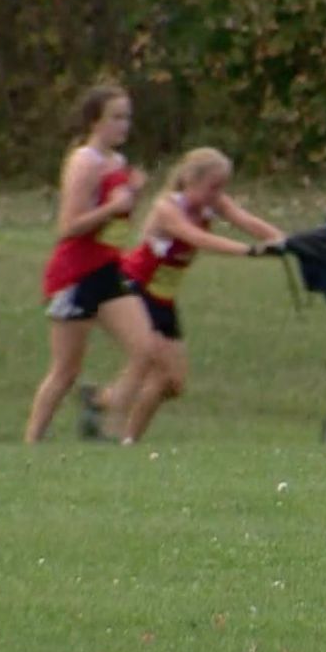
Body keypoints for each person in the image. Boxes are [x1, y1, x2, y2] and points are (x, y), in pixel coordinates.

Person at [79, 147, 286, 443]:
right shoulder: (167, 207)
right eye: (213, 186)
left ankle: (101, 401)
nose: (218, 194)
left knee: (173, 383)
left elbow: (248, 221)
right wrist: (249, 251)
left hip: (164, 298)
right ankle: (124, 440)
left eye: (222, 187)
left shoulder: (213, 203)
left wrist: (285, 242)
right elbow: (196, 237)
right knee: (157, 367)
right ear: (190, 179)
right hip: (136, 288)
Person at [24, 84, 157, 444]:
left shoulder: (117, 162)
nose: (124, 125)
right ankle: (31, 444)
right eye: (115, 117)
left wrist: (133, 197)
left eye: (127, 117)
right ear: (94, 121)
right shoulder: (84, 162)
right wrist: (113, 207)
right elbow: (68, 227)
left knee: (146, 350)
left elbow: (117, 222)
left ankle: (107, 422)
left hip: (108, 269)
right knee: (66, 371)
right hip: (75, 274)